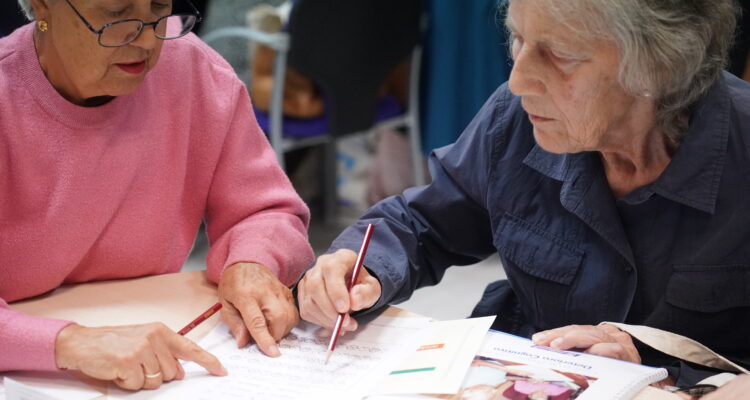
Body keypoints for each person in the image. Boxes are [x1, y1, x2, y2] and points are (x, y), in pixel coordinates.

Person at [296, 0, 750, 394]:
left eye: (559, 54)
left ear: (660, 64)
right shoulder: (517, 118)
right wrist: (360, 265)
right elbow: (423, 223)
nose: (519, 81)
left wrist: (665, 363)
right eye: (518, 38)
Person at [0, 0, 314, 391]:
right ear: (42, 5)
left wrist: (252, 261)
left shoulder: (192, 70)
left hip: (155, 355)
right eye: (116, 15)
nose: (148, 39)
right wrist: (69, 342)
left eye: (159, 8)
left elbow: (264, 209)